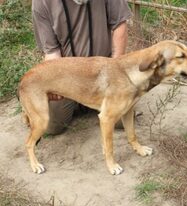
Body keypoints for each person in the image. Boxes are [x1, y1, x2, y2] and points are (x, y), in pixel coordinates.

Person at [32, 0, 132, 134]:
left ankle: (93, 103)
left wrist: (115, 74)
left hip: (105, 73)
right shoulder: (41, 2)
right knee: (52, 127)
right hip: (69, 78)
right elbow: (52, 52)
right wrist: (56, 86)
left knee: (121, 120)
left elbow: (119, 25)